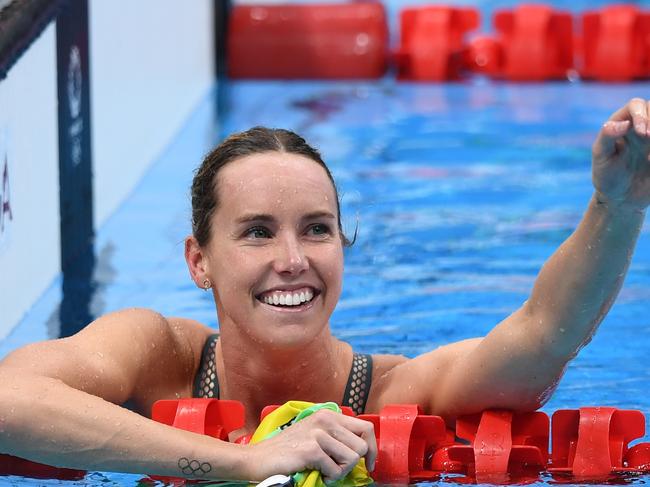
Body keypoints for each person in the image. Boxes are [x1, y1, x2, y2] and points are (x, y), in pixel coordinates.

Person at [0, 98, 649, 482]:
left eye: (316, 230)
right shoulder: (154, 357)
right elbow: (8, 400)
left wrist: (615, 207)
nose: (292, 260)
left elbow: (544, 333)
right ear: (199, 261)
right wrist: (241, 464)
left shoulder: (394, 396)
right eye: (257, 232)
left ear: (342, 247)